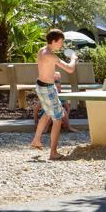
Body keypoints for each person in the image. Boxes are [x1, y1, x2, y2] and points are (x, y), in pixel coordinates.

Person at [30, 28, 77, 160]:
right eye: (61, 42)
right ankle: (53, 153)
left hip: (41, 86)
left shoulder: (42, 50)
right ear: (54, 41)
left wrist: (52, 73)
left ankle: (36, 140)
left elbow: (43, 66)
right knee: (58, 118)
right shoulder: (51, 56)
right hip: (48, 89)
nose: (62, 45)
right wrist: (73, 59)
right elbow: (70, 69)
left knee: (48, 113)